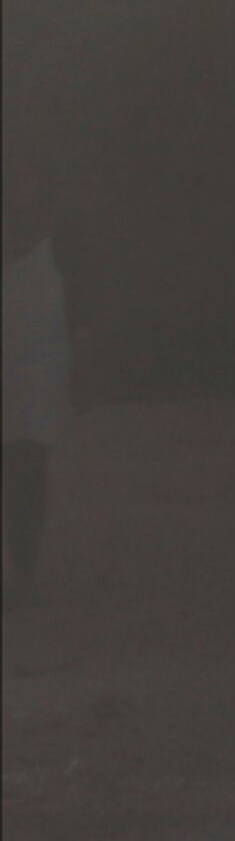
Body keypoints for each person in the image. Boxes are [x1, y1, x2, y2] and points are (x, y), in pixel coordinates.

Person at [1, 197, 65, 608]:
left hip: (26, 398)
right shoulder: (44, 272)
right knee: (24, 478)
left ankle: (22, 576)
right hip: (27, 397)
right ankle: (21, 576)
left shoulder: (43, 272)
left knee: (24, 478)